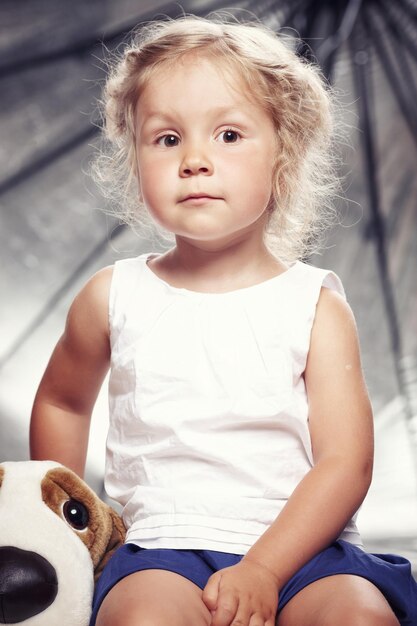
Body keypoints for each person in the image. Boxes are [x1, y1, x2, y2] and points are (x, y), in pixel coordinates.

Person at [30, 14, 417, 626]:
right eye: (167, 139)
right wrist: (63, 528)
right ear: (135, 159)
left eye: (229, 135)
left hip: (306, 550)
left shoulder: (314, 304)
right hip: (162, 550)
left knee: (360, 617)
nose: (195, 160)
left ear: (283, 157)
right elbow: (63, 401)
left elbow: (347, 461)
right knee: (140, 620)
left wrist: (264, 568)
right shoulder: (114, 295)